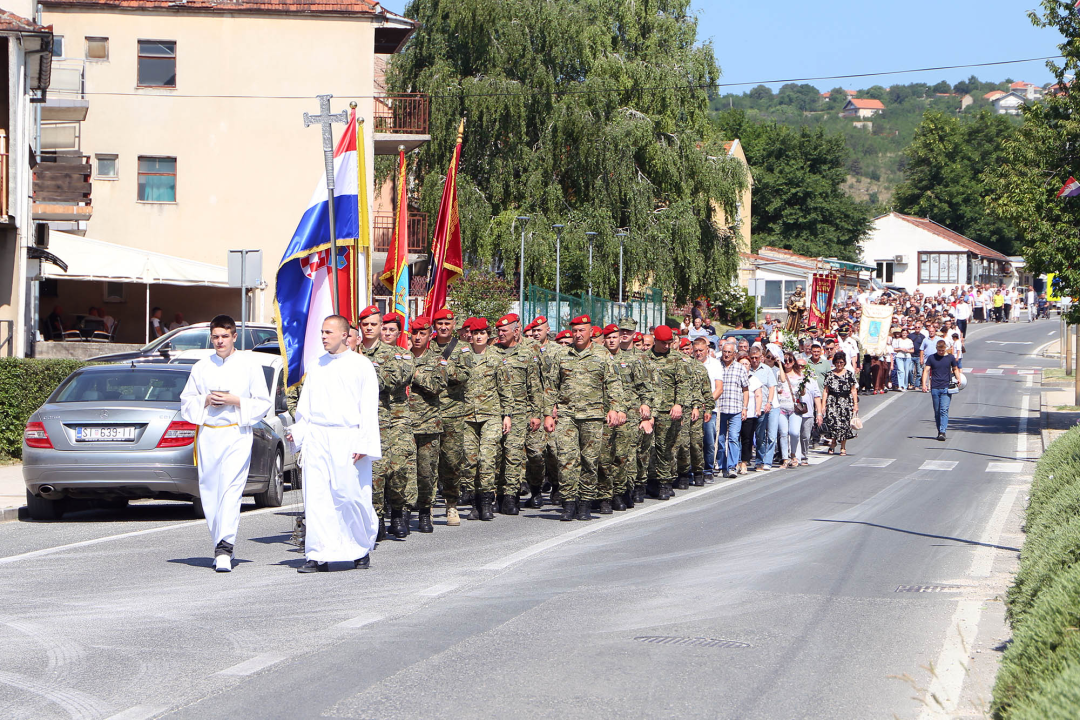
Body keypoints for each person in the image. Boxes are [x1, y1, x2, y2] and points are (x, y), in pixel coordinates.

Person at [287, 315, 381, 573]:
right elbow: (305, 408)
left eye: (328, 332)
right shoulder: (317, 365)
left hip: (349, 438)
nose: (324, 336)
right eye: (322, 332)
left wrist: (366, 442)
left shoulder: (361, 366)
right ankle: (318, 554)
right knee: (317, 497)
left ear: (344, 334)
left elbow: (369, 407)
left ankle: (360, 548)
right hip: (318, 438)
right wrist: (299, 431)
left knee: (350, 495)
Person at [179, 314, 271, 572]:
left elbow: (262, 402)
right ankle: (217, 540)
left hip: (235, 433)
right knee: (210, 491)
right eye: (215, 337)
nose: (220, 342)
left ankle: (225, 547)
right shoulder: (201, 367)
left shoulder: (249, 365)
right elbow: (187, 401)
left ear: (234, 337)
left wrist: (234, 400)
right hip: (208, 434)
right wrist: (206, 400)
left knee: (231, 490)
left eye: (224, 337)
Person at [546, 315, 624, 518]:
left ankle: (585, 503)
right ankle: (568, 503)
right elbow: (551, 386)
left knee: (590, 461)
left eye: (582, 330)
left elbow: (613, 383)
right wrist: (548, 413)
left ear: (590, 332)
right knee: (566, 460)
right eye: (575, 330)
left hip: (593, 416)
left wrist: (616, 408)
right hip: (567, 415)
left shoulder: (602, 355)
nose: (578, 334)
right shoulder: (563, 355)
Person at [358, 305, 415, 540]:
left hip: (396, 420)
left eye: (374, 324)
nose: (369, 328)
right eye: (365, 324)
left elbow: (397, 380)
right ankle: (378, 517)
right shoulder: (352, 353)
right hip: (369, 422)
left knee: (399, 469)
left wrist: (366, 368)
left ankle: (399, 512)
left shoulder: (398, 355)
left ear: (381, 327)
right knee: (375, 473)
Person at [454, 317, 511, 521]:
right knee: (469, 460)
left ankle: (487, 502)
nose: (478, 337)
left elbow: (505, 388)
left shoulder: (496, 358)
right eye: (475, 333)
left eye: (482, 333)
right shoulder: (461, 356)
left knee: (487, 460)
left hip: (491, 415)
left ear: (488, 336)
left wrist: (507, 415)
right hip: (466, 416)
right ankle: (475, 503)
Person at [493, 313, 543, 515]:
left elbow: (535, 386)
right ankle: (496, 493)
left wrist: (537, 413)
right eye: (498, 330)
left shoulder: (527, 353)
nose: (500, 334)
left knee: (513, 455)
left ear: (516, 331)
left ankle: (511, 497)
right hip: (495, 411)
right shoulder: (492, 352)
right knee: (496, 455)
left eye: (504, 330)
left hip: (520, 412)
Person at [407, 316, 446, 534]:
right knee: (405, 472)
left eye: (423, 333)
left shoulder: (438, 359)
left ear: (429, 336)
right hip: (405, 424)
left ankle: (424, 511)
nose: (418, 337)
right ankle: (403, 513)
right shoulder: (401, 357)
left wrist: (414, 372)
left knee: (426, 472)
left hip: (429, 425)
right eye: (415, 333)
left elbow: (436, 386)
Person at [638, 324, 684, 500]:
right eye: (663, 343)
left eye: (669, 343)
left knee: (664, 447)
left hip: (667, 410)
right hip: (648, 410)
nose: (666, 346)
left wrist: (678, 404)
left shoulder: (677, 359)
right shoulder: (644, 359)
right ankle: (646, 482)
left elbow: (683, 384)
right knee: (645, 446)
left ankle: (664, 483)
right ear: (655, 340)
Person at [716, 340, 749, 479]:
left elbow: (745, 389)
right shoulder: (717, 365)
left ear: (734, 354)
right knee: (720, 439)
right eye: (725, 352)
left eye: (730, 352)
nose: (727, 354)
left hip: (735, 408)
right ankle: (722, 465)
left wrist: (745, 408)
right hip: (720, 409)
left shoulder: (740, 368)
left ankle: (732, 467)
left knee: (734, 438)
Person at [922, 338, 963, 441]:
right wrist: (924, 384)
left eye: (942, 350)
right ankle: (939, 430)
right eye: (939, 350)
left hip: (946, 387)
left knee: (943, 410)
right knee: (937, 411)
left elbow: (955, 368)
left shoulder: (950, 357)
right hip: (935, 387)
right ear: (936, 349)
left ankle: (942, 431)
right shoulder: (932, 358)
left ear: (945, 349)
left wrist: (958, 378)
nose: (941, 352)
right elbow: (926, 371)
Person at [822, 350, 858, 456]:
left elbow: (853, 390)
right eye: (837, 362)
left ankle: (843, 447)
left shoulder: (849, 374)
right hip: (832, 401)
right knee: (833, 423)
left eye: (841, 362)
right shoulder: (829, 375)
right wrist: (823, 405)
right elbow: (825, 391)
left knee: (844, 425)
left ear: (844, 363)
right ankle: (833, 443)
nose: (839, 364)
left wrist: (855, 404)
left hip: (845, 402)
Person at [698, 337, 723, 483]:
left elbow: (719, 389)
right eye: (696, 351)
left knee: (708, 441)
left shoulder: (714, 364)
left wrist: (706, 404)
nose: (698, 353)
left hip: (709, 409)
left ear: (707, 350)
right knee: (691, 442)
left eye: (701, 350)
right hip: (693, 409)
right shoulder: (690, 363)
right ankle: (692, 471)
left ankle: (708, 470)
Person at [737, 353, 762, 475]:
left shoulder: (754, 379)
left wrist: (758, 409)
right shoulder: (734, 376)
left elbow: (758, 395)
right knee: (735, 438)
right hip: (735, 411)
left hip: (750, 413)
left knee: (747, 438)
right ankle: (734, 461)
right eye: (742, 364)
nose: (744, 366)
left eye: (746, 364)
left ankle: (744, 462)